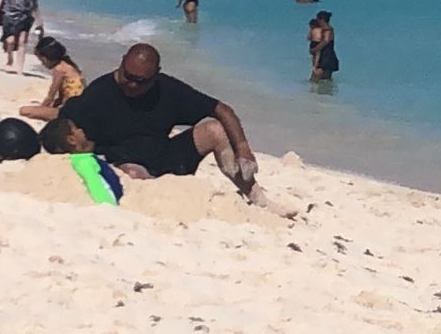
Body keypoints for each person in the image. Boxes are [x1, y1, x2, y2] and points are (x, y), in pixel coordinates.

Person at [56, 44, 287, 214]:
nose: (133, 85)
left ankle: (256, 197)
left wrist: (243, 150)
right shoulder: (100, 93)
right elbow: (67, 126)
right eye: (128, 76)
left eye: (141, 80)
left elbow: (222, 110)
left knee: (215, 128)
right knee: (133, 173)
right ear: (122, 61)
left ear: (155, 75)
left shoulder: (167, 89)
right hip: (126, 165)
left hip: (166, 158)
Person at [18, 36, 84, 121]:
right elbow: (61, 97)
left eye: (42, 61)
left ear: (46, 58)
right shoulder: (70, 66)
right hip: (78, 108)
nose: (42, 64)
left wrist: (41, 109)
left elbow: (50, 96)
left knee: (24, 110)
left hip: (70, 112)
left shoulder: (59, 69)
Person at [309, 11, 339, 82]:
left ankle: (313, 92)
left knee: (315, 78)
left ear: (321, 20)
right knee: (326, 80)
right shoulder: (324, 30)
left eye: (318, 19)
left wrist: (314, 49)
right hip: (327, 57)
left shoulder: (328, 30)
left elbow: (326, 41)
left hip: (327, 57)